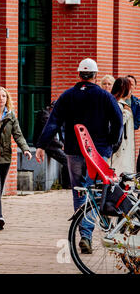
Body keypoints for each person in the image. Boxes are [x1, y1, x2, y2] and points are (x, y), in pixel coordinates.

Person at [35, 58, 123, 254]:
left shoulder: (67, 96)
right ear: (95, 75)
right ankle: (86, 233)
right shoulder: (105, 97)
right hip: (98, 152)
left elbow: (53, 121)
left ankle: (85, 233)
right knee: (96, 191)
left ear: (78, 75)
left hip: (74, 151)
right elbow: (118, 122)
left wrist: (41, 145)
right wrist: (112, 143)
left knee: (80, 192)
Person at [0, 87, 32, 230]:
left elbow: (18, 135)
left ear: (7, 99)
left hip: (6, 156)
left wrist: (25, 149)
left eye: (4, 96)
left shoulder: (11, 116)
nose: (1, 99)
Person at [33, 101, 70, 189]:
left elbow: (62, 133)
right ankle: (67, 184)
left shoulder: (56, 116)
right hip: (47, 144)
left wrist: (64, 144)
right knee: (67, 161)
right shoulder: (45, 117)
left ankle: (70, 183)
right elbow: (51, 136)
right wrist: (61, 145)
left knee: (71, 158)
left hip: (53, 143)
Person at [110, 77, 135, 175]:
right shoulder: (119, 105)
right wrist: (126, 113)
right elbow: (117, 124)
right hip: (120, 148)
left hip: (123, 147)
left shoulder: (121, 104)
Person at [126, 75, 140, 171]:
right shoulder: (116, 100)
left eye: (131, 84)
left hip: (129, 135)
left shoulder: (137, 103)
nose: (129, 86)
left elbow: (136, 124)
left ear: (135, 87)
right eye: (127, 83)